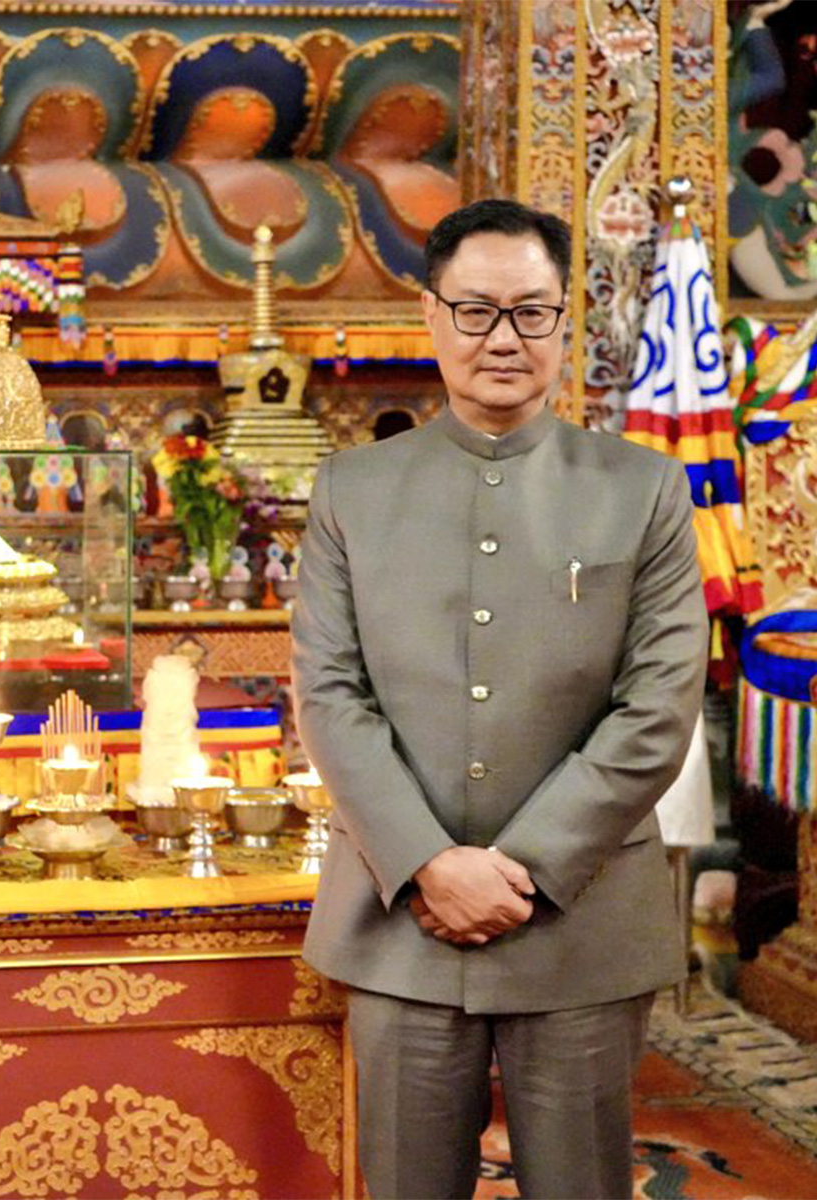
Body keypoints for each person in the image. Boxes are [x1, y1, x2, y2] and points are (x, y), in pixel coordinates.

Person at [292, 199, 707, 1199]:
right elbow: (329, 697)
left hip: (580, 919)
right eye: (475, 311)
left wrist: (513, 871)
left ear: (566, 323)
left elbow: (656, 709)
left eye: (531, 312)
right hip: (401, 921)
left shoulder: (640, 490)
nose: (503, 339)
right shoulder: (352, 491)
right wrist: (430, 866)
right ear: (430, 317)